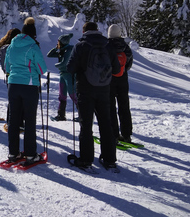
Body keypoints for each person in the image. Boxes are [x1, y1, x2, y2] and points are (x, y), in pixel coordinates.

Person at [66, 22, 121, 169]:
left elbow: (70, 68)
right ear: (97, 30)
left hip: (85, 90)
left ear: (84, 31)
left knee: (86, 125)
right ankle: (110, 160)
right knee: (106, 125)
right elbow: (116, 69)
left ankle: (86, 160)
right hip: (104, 90)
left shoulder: (81, 46)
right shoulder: (108, 45)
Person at [3, 18, 48, 163]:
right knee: (29, 121)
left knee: (14, 120)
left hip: (13, 85)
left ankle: (13, 153)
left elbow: (7, 67)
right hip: (29, 85)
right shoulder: (33, 46)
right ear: (33, 35)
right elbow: (42, 69)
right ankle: (30, 154)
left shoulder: (11, 45)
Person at [108, 24, 134, 142]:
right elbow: (129, 63)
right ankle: (127, 134)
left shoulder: (106, 46)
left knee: (111, 107)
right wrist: (122, 71)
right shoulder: (125, 46)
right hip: (123, 79)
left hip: (109, 80)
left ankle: (114, 134)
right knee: (124, 106)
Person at [47, 33, 76, 121]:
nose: (57, 43)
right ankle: (61, 115)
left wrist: (56, 65)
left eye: (58, 42)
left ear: (62, 42)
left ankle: (83, 115)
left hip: (69, 75)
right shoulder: (63, 50)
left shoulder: (68, 51)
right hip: (63, 74)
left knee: (73, 94)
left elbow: (64, 63)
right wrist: (56, 48)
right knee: (62, 95)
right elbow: (49, 55)